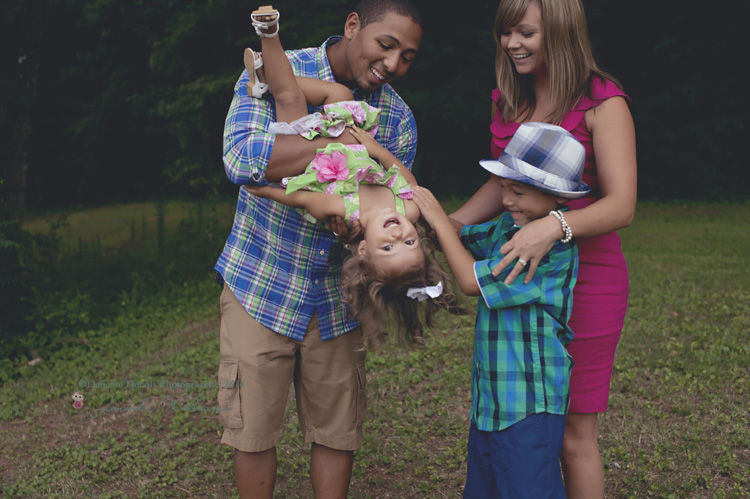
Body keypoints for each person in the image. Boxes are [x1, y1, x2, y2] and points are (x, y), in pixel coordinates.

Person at [214, 1, 423, 497]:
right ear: (353, 26)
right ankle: (266, 33)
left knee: (337, 430)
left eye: (408, 56)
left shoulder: (399, 118)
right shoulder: (291, 71)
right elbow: (242, 159)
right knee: (254, 429)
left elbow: (386, 204)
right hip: (261, 284)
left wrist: (354, 230)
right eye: (386, 45)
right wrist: (344, 145)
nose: (393, 64)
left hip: (338, 297)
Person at [449, 0, 637, 496]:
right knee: (527, 425)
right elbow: (504, 188)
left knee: (575, 435)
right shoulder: (511, 101)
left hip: (590, 281)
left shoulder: (603, 101)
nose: (512, 44)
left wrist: (554, 225)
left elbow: (622, 205)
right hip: (522, 276)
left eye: (525, 32)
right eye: (505, 33)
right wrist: (448, 225)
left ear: (559, 30)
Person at [413, 121, 589, 498]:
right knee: (486, 487)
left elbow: (469, 282)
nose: (506, 200)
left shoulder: (548, 252)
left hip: (529, 404)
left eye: (519, 192)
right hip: (493, 399)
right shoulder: (504, 231)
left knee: (528, 489)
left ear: (559, 198)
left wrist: (438, 216)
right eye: (504, 188)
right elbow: (452, 237)